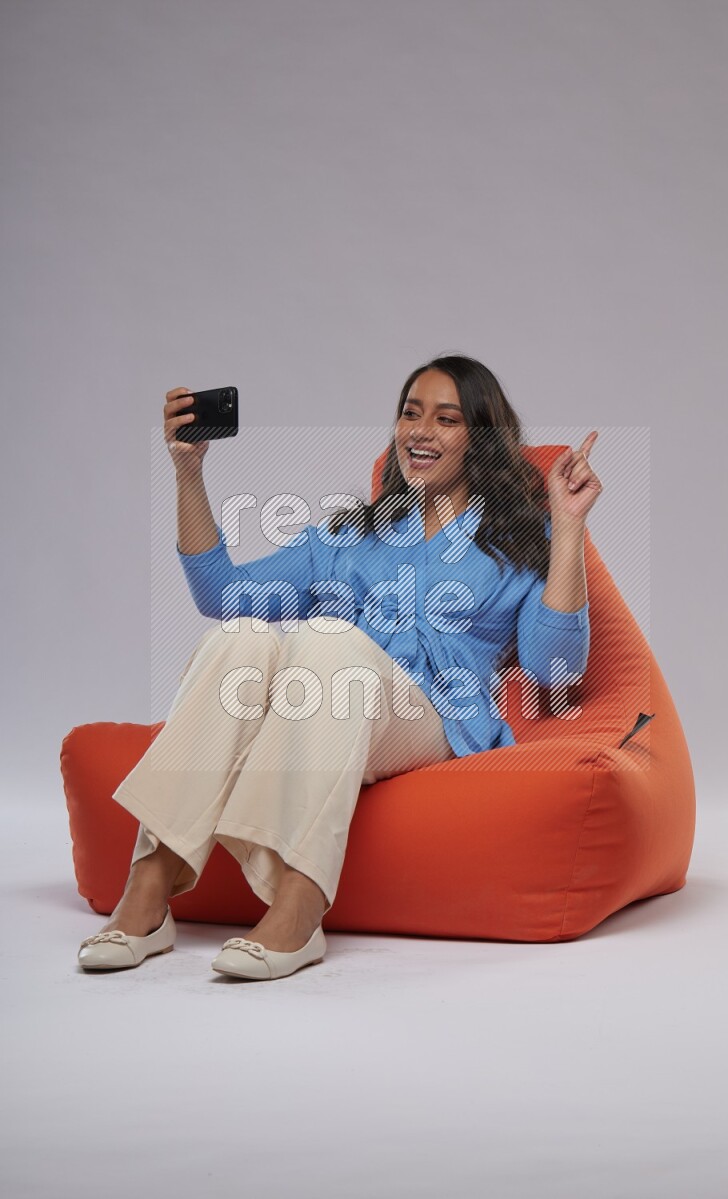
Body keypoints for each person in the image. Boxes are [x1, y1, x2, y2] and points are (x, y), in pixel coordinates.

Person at [77, 354, 602, 981]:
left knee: (329, 642)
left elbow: (556, 668)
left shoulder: (517, 540)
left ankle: (299, 903)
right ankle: (150, 885)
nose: (420, 432)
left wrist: (567, 528)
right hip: (327, 698)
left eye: (446, 419)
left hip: (432, 714)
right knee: (241, 635)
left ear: (480, 438)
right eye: (410, 414)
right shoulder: (349, 536)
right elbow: (221, 595)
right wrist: (189, 473)